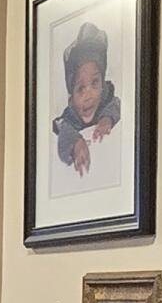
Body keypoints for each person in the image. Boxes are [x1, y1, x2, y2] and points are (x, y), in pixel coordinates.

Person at [53, 21, 123, 183]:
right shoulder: (69, 116)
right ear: (71, 96)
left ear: (103, 84)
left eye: (95, 83)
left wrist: (107, 119)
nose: (89, 95)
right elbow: (63, 131)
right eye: (80, 88)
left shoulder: (107, 99)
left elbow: (116, 105)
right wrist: (77, 143)